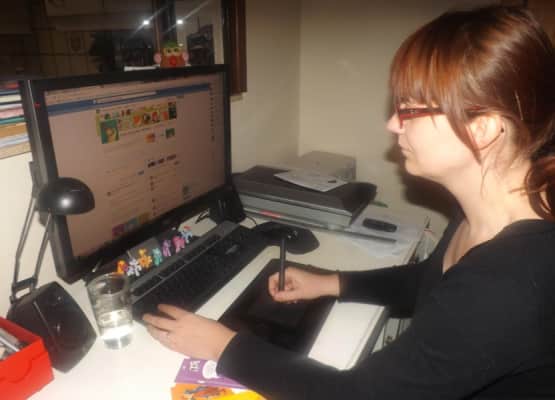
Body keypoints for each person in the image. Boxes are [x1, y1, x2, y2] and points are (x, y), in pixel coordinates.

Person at [143, 5, 555, 399]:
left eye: (410, 110)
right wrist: (330, 283)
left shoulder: (510, 281)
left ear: (483, 129)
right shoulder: (487, 212)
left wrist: (221, 345)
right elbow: (433, 282)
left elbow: (356, 395)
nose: (392, 124)